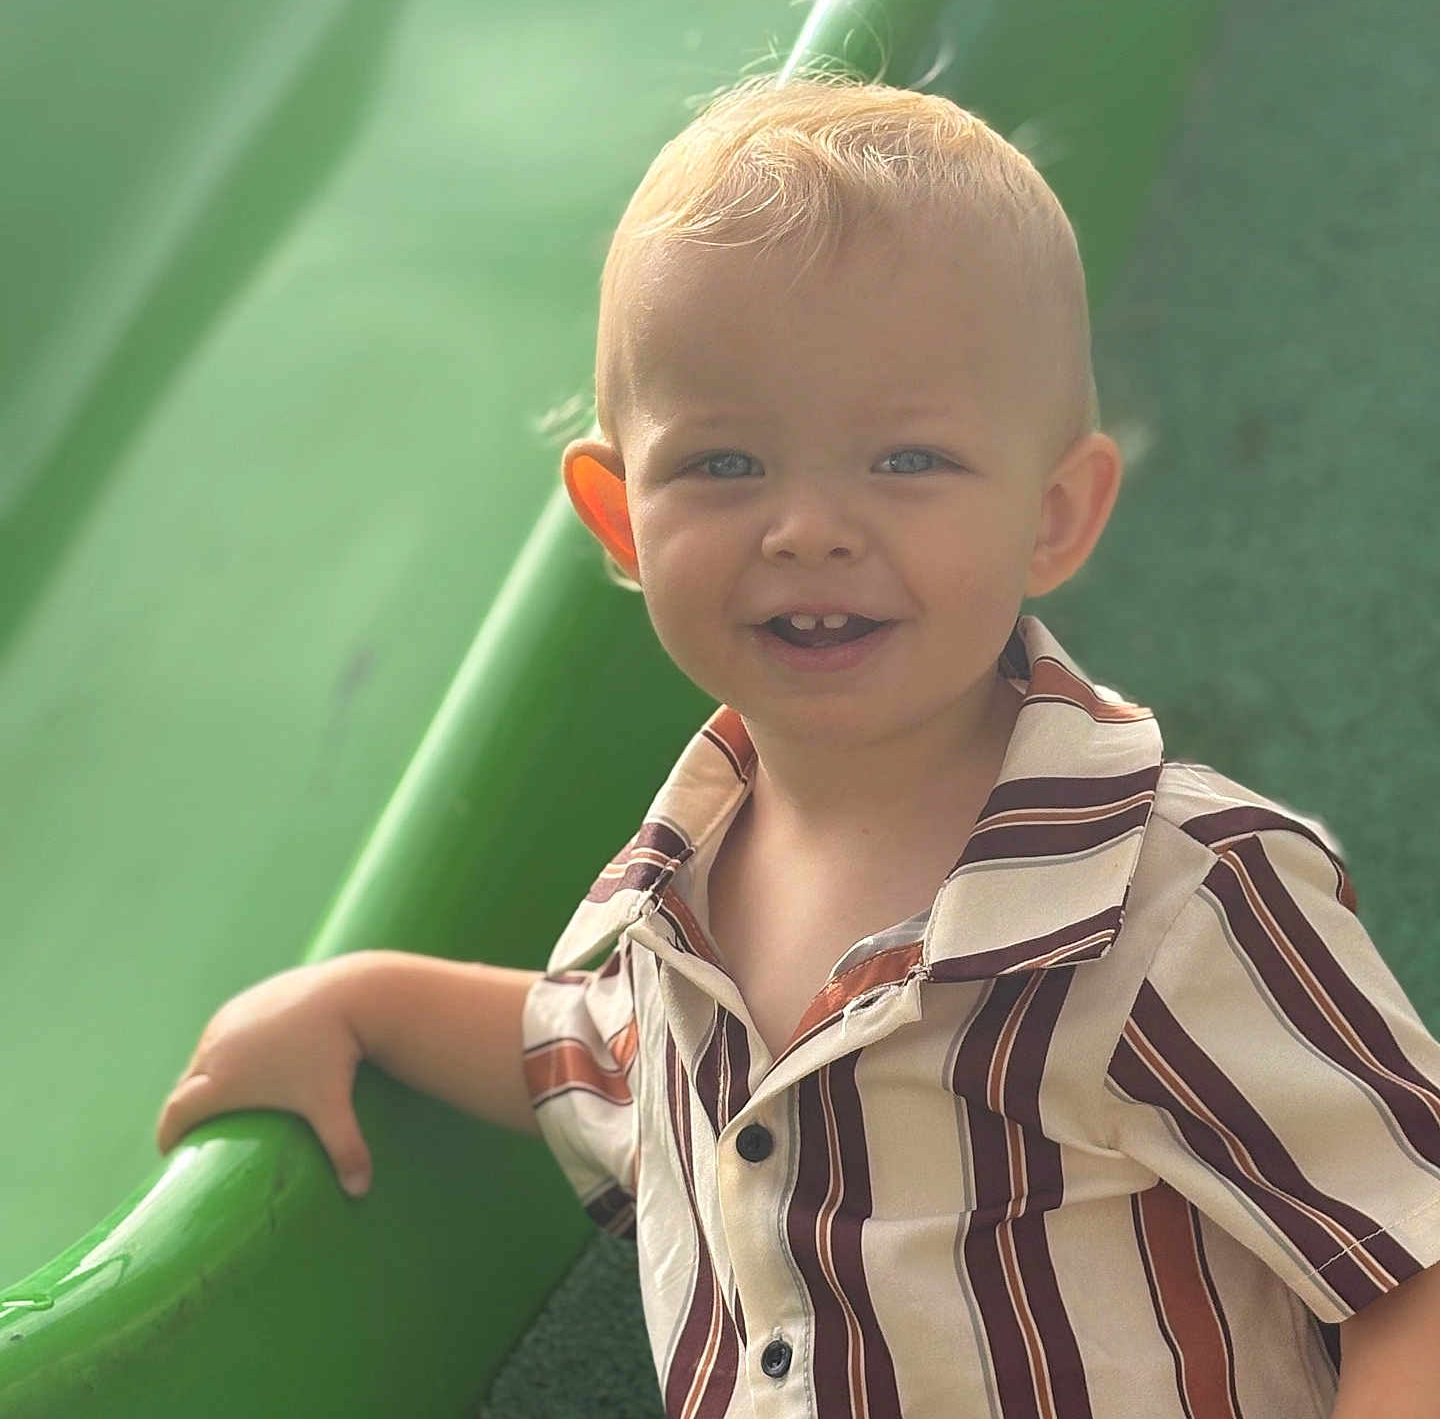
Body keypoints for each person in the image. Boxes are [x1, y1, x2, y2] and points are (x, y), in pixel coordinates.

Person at [156, 71, 1440, 1417]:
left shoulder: (1178, 899)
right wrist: (355, 1001)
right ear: (616, 515)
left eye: (906, 462)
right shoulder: (680, 908)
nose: (808, 527)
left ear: (1054, 514)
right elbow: (603, 1061)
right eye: (724, 465)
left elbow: (1410, 1255)